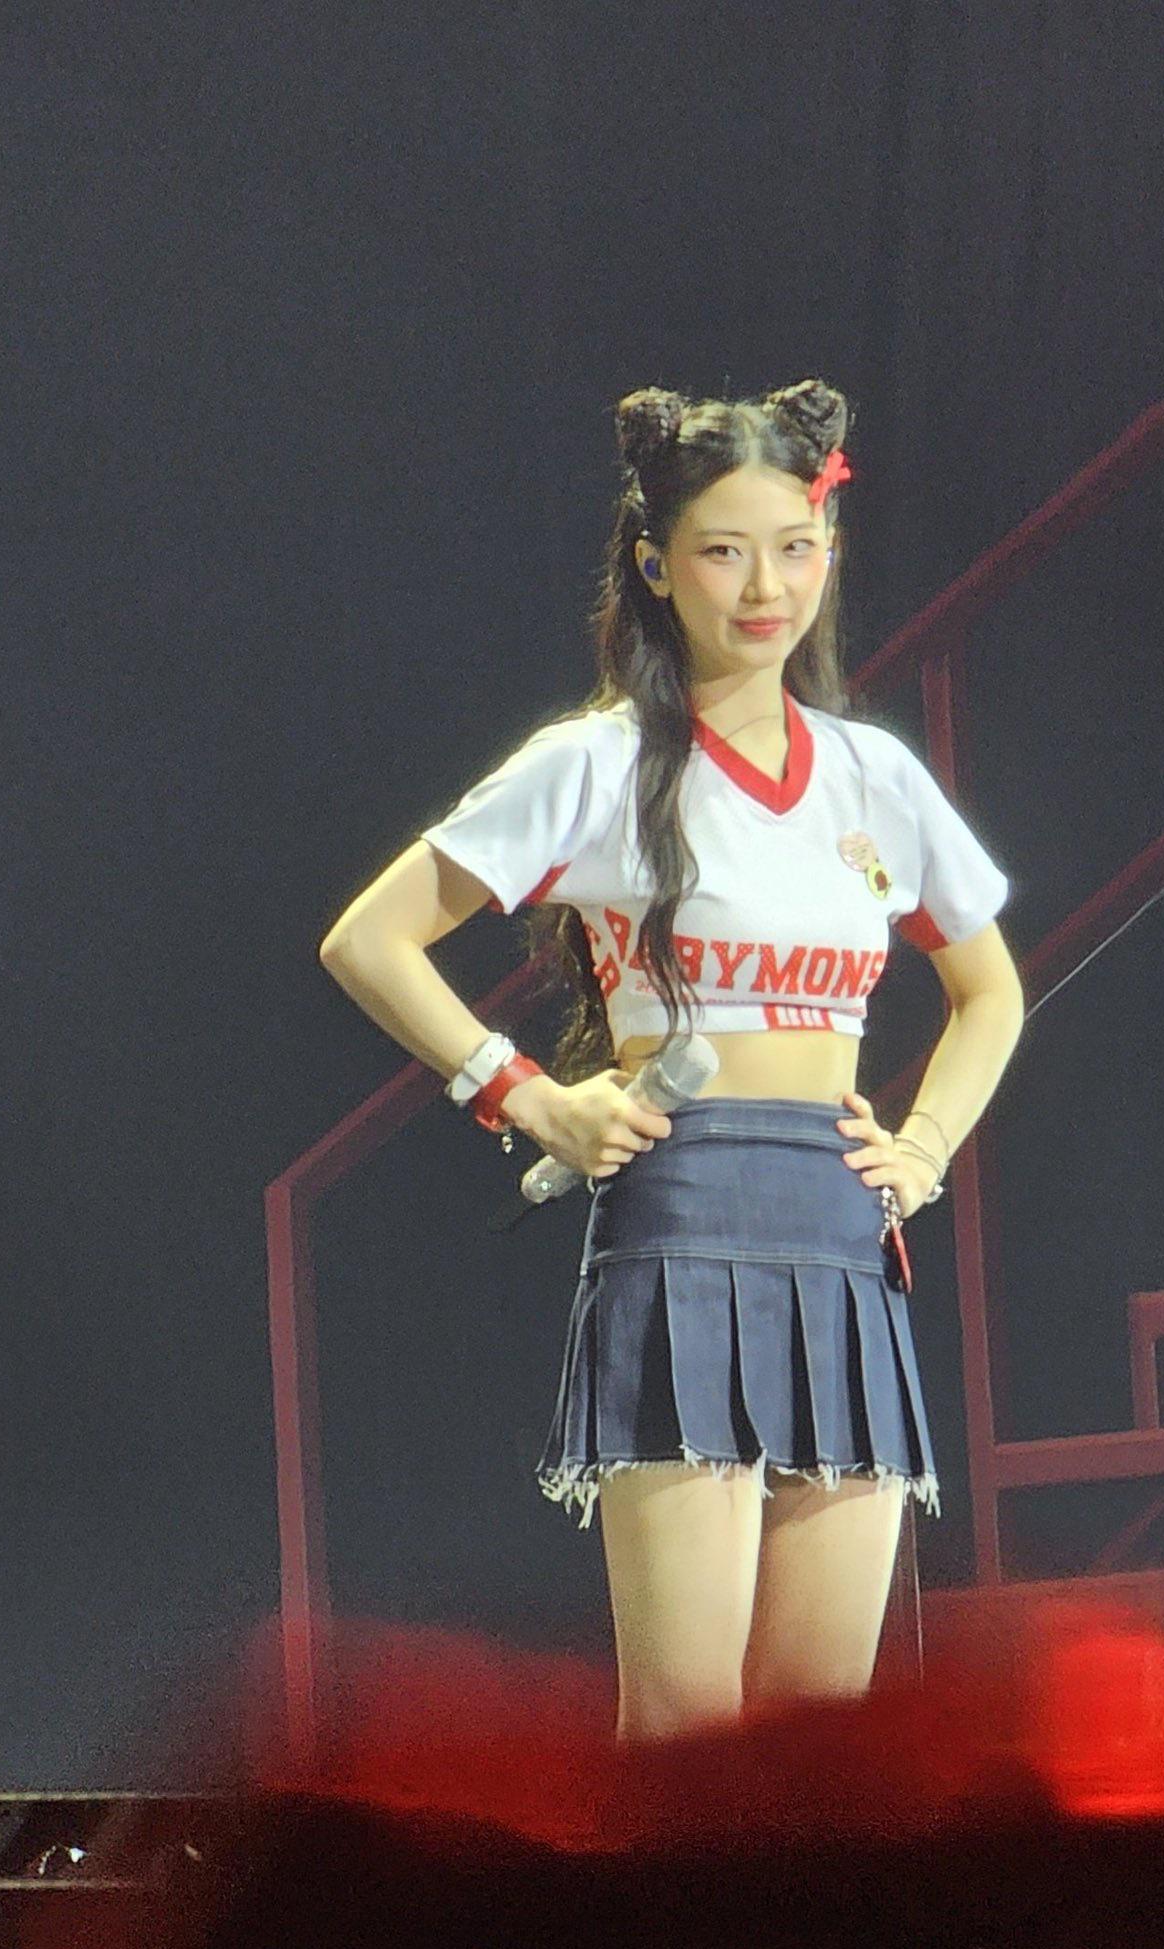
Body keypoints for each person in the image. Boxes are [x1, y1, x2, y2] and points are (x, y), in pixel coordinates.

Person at [319, 381, 1022, 1739]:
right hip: (683, 1225)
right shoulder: (597, 764)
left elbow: (987, 990)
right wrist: (528, 1096)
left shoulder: (873, 776)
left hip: (841, 1236)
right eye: (724, 551)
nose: (767, 588)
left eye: (796, 549)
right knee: (689, 1725)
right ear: (655, 564)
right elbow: (372, 939)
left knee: (824, 1734)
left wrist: (925, 1147)